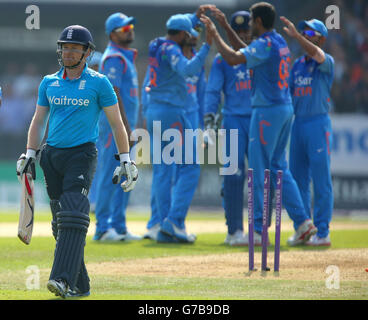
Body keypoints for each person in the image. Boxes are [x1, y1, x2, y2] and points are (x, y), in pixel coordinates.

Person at [16, 25, 138, 298]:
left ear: (87, 52)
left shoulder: (99, 83)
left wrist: (126, 159)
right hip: (51, 156)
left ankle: (61, 279)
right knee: (63, 224)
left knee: (73, 211)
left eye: (74, 48)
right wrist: (30, 152)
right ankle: (81, 285)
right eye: (65, 47)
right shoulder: (49, 82)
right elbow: (38, 121)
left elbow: (117, 123)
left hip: (82, 154)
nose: (68, 52)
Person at [201, 2, 317, 246]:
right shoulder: (277, 43)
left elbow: (234, 57)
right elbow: (245, 51)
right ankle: (303, 222)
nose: (250, 24)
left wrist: (214, 35)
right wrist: (223, 26)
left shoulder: (264, 45)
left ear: (259, 22)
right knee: (278, 168)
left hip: (266, 113)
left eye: (252, 20)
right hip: (285, 110)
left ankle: (256, 231)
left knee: (257, 171)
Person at [145, 8, 213, 243]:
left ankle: (162, 224)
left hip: (155, 110)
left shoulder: (156, 43)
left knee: (164, 171)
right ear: (183, 34)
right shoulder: (174, 50)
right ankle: (173, 221)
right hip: (172, 112)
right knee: (191, 167)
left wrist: (194, 17)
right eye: (190, 31)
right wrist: (207, 47)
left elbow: (181, 28)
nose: (193, 35)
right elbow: (187, 69)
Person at [281, 17, 334, 246]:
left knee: (321, 180)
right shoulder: (297, 65)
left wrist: (297, 37)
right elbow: (288, 94)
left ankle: (322, 232)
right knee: (298, 179)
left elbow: (318, 55)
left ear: (321, 39)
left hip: (317, 124)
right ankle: (303, 230)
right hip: (298, 123)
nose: (305, 36)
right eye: (304, 32)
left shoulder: (326, 61)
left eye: (310, 34)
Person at [204, 10, 253, 246]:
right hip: (233, 119)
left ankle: (260, 230)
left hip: (260, 120)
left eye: (247, 31)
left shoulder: (262, 54)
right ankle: (234, 230)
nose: (244, 35)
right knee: (233, 176)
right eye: (240, 31)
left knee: (264, 176)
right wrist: (209, 120)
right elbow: (213, 91)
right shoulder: (223, 58)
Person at [92, 13, 141, 242]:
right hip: (115, 127)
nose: (130, 30)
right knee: (109, 174)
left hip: (123, 126)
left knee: (126, 172)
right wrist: (126, 127)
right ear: (113, 33)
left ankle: (119, 227)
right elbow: (115, 93)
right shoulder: (113, 58)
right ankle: (102, 228)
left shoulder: (123, 56)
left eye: (130, 26)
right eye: (124, 28)